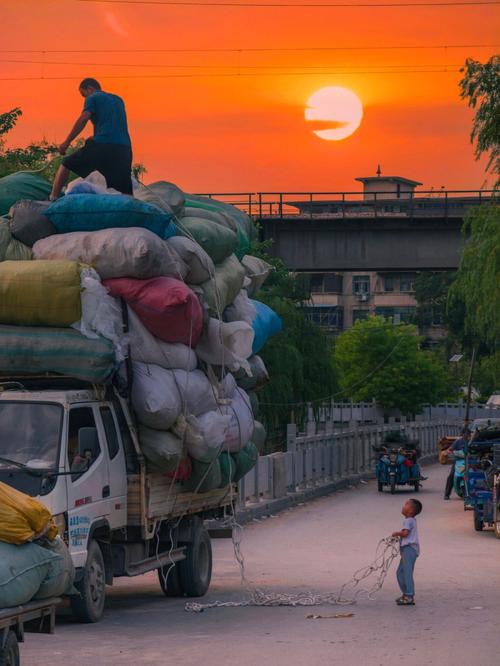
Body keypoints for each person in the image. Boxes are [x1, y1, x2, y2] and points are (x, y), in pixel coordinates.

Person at [50, 78, 132, 200]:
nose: (84, 98)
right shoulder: (118, 100)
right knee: (123, 189)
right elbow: (112, 126)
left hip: (103, 145)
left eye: (83, 94)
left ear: (90, 88)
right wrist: (94, 137)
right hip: (124, 149)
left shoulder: (93, 97)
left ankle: (53, 198)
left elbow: (84, 118)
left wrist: (66, 142)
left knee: (66, 164)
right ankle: (130, 211)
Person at [392, 498, 422, 606]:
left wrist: (396, 533)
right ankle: (406, 594)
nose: (404, 505)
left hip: (409, 549)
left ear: (411, 511)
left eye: (407, 504)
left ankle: (409, 595)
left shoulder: (408, 520)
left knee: (406, 572)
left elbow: (405, 533)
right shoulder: (410, 520)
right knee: (400, 572)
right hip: (407, 550)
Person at [443, 427, 471, 500]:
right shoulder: (458, 442)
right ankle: (447, 494)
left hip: (470, 462)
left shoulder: (471, 442)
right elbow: (450, 449)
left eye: (468, 435)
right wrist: (447, 452)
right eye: (464, 435)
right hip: (458, 462)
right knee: (451, 476)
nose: (467, 436)